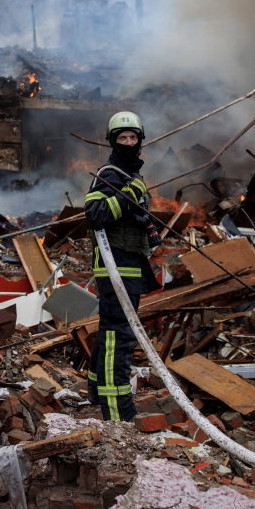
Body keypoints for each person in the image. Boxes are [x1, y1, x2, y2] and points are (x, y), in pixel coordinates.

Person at [83, 111, 160, 422]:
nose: (128, 142)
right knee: (120, 337)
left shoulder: (129, 175)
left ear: (140, 140)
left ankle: (95, 392)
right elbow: (95, 213)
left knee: (108, 333)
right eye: (122, 138)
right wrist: (130, 195)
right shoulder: (112, 174)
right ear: (112, 141)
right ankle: (119, 413)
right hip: (116, 266)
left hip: (127, 263)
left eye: (133, 138)